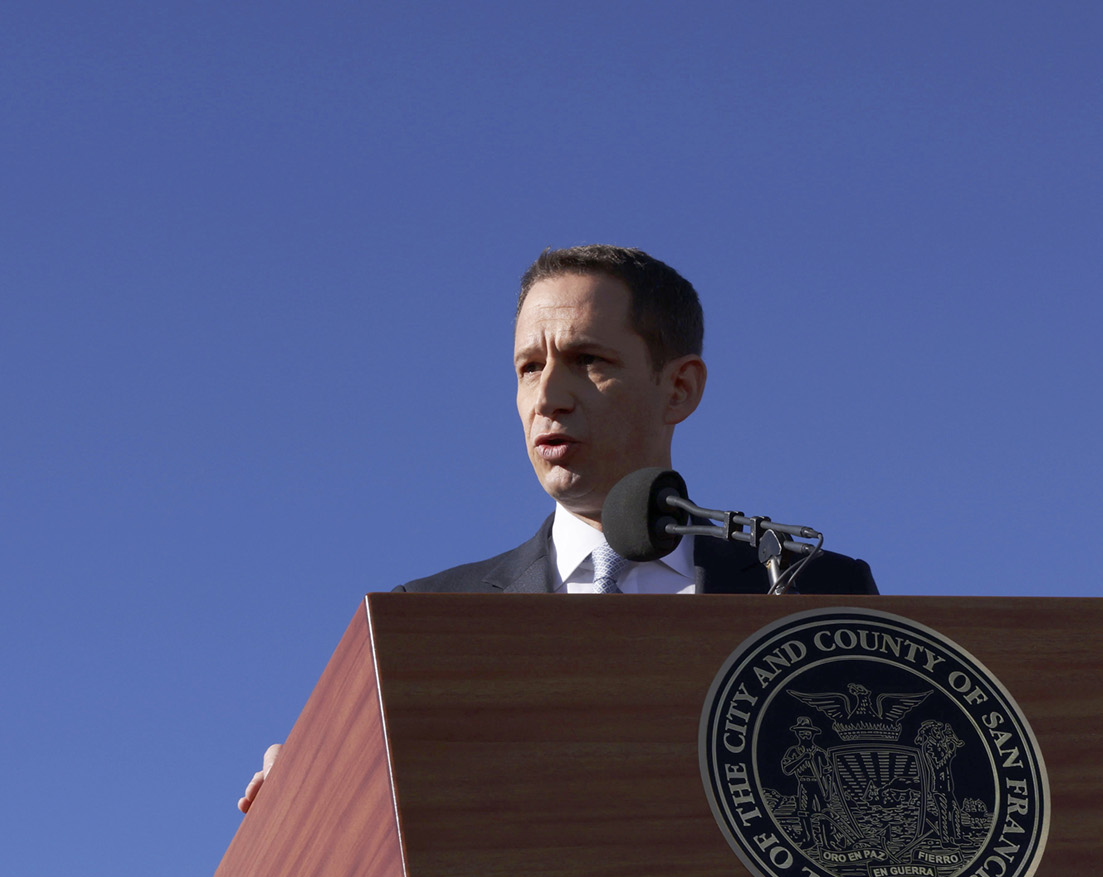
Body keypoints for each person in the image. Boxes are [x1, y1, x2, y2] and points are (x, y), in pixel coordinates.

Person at [239, 246, 876, 811]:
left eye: (587, 360)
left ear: (678, 388)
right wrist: (310, 792)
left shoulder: (810, 588)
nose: (548, 397)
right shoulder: (431, 621)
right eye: (528, 368)